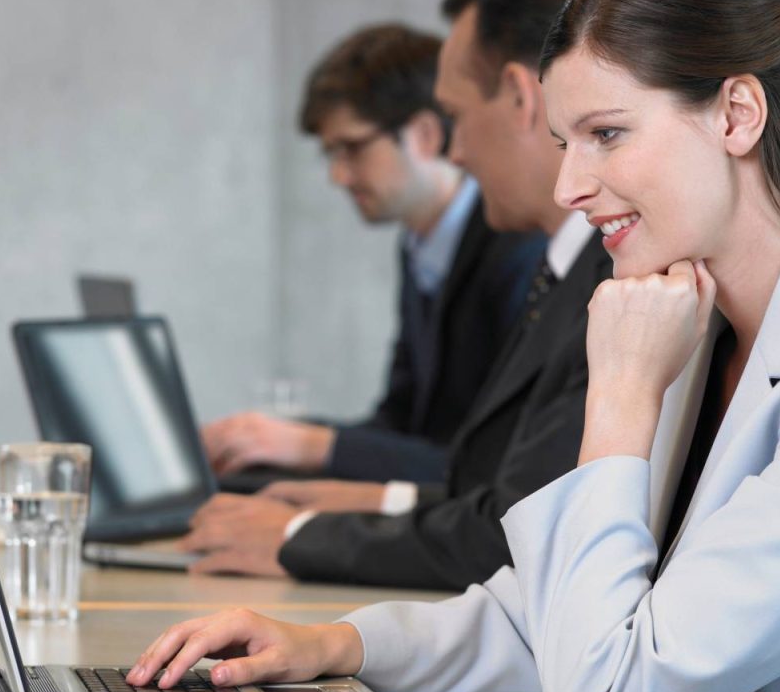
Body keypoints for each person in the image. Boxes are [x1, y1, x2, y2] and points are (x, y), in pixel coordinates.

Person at [129, 0, 780, 692]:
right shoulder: (698, 327)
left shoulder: (702, 354)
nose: (572, 186)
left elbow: (608, 689)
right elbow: (550, 611)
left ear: (737, 112)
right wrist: (332, 643)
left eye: (607, 135)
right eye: (565, 143)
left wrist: (618, 399)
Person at [176, 0, 606, 588]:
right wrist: (354, 500)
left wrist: (303, 530)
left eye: (456, 118)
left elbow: (511, 526)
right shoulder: (552, 263)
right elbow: (482, 483)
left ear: (520, 97)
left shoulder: (585, 275)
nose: (457, 150)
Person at [204, 24, 545, 486]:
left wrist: (308, 445)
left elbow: (490, 467)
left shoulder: (519, 251)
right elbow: (401, 422)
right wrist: (270, 441)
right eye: (330, 155)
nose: (338, 176)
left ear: (425, 134)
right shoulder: (419, 247)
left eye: (352, 149)